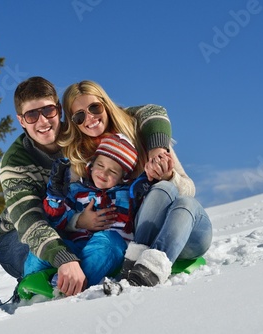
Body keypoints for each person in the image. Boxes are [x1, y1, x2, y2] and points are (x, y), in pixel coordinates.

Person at [0, 76, 175, 297]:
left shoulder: (78, 128)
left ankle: (75, 281)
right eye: (32, 115)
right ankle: (34, 289)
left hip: (71, 226)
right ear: (21, 120)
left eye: (48, 111)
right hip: (18, 233)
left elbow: (150, 112)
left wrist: (157, 150)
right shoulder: (16, 161)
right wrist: (65, 255)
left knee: (108, 245)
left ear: (58, 110)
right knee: (38, 253)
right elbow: (30, 222)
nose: (42, 122)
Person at [59, 80, 213, 287]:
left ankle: (142, 262)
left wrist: (168, 176)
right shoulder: (79, 159)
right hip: (136, 233)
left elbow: (188, 188)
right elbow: (64, 206)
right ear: (73, 122)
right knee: (166, 191)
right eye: (79, 116)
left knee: (174, 195)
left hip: (182, 232)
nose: (90, 118)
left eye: (94, 107)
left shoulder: (143, 136)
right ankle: (144, 271)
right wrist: (79, 221)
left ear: (106, 104)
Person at [24, 133, 138, 288]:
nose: (103, 173)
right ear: (91, 165)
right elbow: (58, 220)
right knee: (44, 247)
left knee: (110, 242)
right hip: (76, 249)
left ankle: (73, 286)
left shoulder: (128, 194)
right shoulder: (77, 190)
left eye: (113, 172)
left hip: (107, 253)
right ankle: (28, 284)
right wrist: (55, 197)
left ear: (122, 177)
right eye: (100, 165)